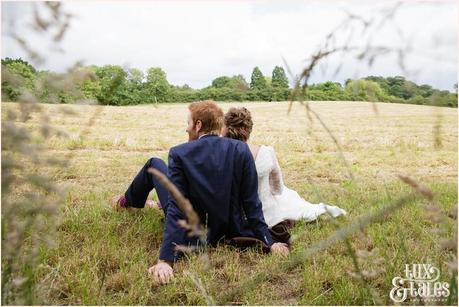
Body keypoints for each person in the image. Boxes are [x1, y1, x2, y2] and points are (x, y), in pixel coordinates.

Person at [112, 100, 289, 285]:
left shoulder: (179, 153)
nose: (186, 129)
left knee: (154, 164)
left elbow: (177, 208)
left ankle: (125, 201)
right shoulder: (241, 149)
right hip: (227, 230)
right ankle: (134, 201)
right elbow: (251, 203)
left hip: (192, 235)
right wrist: (269, 241)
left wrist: (165, 260)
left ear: (198, 125)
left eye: (188, 123)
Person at [222, 107, 347, 229]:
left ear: (226, 129)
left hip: (231, 216)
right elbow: (277, 189)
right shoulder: (266, 153)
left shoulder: (219, 156)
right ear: (248, 130)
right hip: (266, 216)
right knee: (289, 197)